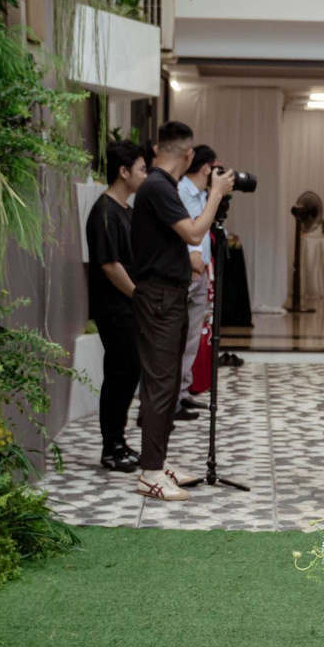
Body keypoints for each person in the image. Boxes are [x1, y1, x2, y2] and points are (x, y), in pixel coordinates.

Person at [131, 121, 230, 502]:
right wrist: (216, 194)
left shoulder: (160, 186)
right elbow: (193, 232)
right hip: (158, 298)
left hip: (168, 295)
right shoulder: (157, 186)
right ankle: (150, 473)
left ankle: (157, 461)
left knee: (169, 383)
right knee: (160, 386)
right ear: (189, 156)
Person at [86, 144, 147, 471]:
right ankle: (111, 448)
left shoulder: (125, 210)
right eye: (141, 169)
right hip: (115, 308)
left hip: (128, 308)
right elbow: (110, 266)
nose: (144, 175)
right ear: (123, 172)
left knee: (127, 374)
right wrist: (138, 295)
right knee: (120, 375)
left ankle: (119, 442)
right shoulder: (105, 212)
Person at [172, 145, 223, 422]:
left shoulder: (204, 195)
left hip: (201, 270)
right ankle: (172, 398)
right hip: (186, 270)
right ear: (207, 168)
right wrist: (192, 257)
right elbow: (184, 231)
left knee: (193, 335)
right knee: (179, 337)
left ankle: (182, 391)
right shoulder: (180, 192)